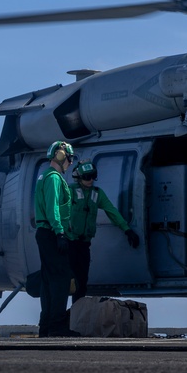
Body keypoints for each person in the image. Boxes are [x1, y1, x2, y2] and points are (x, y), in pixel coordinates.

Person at [67, 159, 140, 302]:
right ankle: (59, 317)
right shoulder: (70, 191)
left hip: (84, 244)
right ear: (79, 178)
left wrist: (127, 230)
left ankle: (77, 313)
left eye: (93, 176)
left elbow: (111, 211)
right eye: (87, 177)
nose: (91, 180)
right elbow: (58, 211)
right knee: (67, 280)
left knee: (82, 281)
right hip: (69, 242)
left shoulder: (97, 194)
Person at [34, 140, 79, 337]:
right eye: (69, 159)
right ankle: (57, 325)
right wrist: (60, 232)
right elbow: (53, 208)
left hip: (45, 233)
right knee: (60, 279)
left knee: (48, 281)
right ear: (61, 156)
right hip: (52, 233)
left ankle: (46, 325)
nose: (70, 163)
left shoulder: (44, 176)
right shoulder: (53, 178)